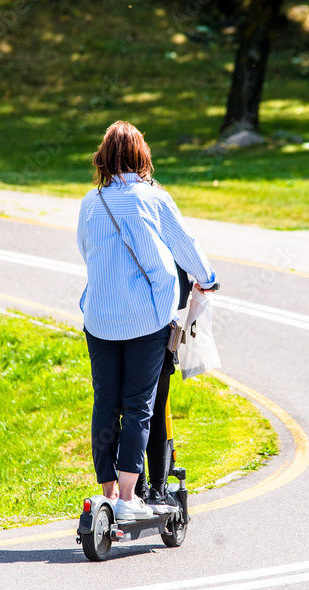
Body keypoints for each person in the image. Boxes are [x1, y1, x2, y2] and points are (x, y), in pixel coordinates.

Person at [77, 120, 218, 521]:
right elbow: (184, 244)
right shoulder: (153, 199)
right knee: (139, 405)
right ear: (142, 156)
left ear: (103, 157)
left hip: (100, 318)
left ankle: (104, 495)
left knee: (106, 402)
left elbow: (85, 250)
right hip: (146, 319)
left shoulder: (91, 201)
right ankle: (128, 497)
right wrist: (207, 280)